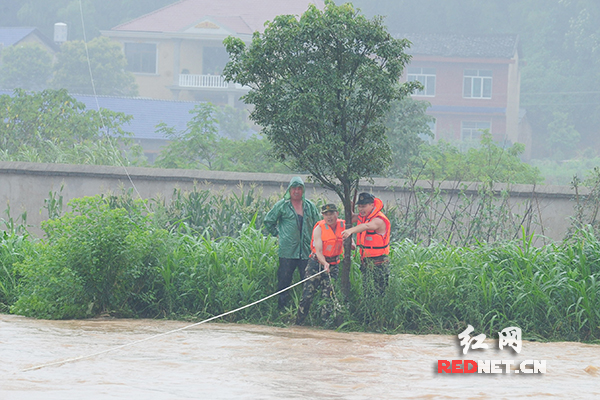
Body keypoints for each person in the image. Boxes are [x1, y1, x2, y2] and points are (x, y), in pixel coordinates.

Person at [264, 177, 320, 310]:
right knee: (284, 280)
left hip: (307, 251)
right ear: (289, 190)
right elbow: (268, 221)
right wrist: (278, 234)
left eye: (299, 188)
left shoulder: (310, 206)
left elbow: (318, 225)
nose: (296, 191)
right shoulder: (282, 205)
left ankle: (306, 311)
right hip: (288, 251)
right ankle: (281, 309)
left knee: (307, 282)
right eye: (294, 188)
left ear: (303, 190)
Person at [296, 204, 345, 325]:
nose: (329, 217)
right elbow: (318, 251)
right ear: (323, 215)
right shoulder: (319, 228)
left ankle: (325, 325)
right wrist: (324, 263)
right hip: (316, 264)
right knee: (307, 295)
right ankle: (299, 323)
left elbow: (349, 238)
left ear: (337, 214)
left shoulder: (343, 225)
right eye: (326, 214)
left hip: (333, 265)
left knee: (328, 296)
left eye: (331, 214)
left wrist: (352, 245)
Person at [341, 192, 391, 294]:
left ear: (372, 205)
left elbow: (367, 226)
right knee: (367, 290)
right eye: (359, 206)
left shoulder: (378, 219)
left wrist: (350, 231)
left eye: (363, 206)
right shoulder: (362, 216)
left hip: (379, 262)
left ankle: (379, 308)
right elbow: (350, 218)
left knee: (379, 292)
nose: (360, 209)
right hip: (366, 261)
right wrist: (349, 208)